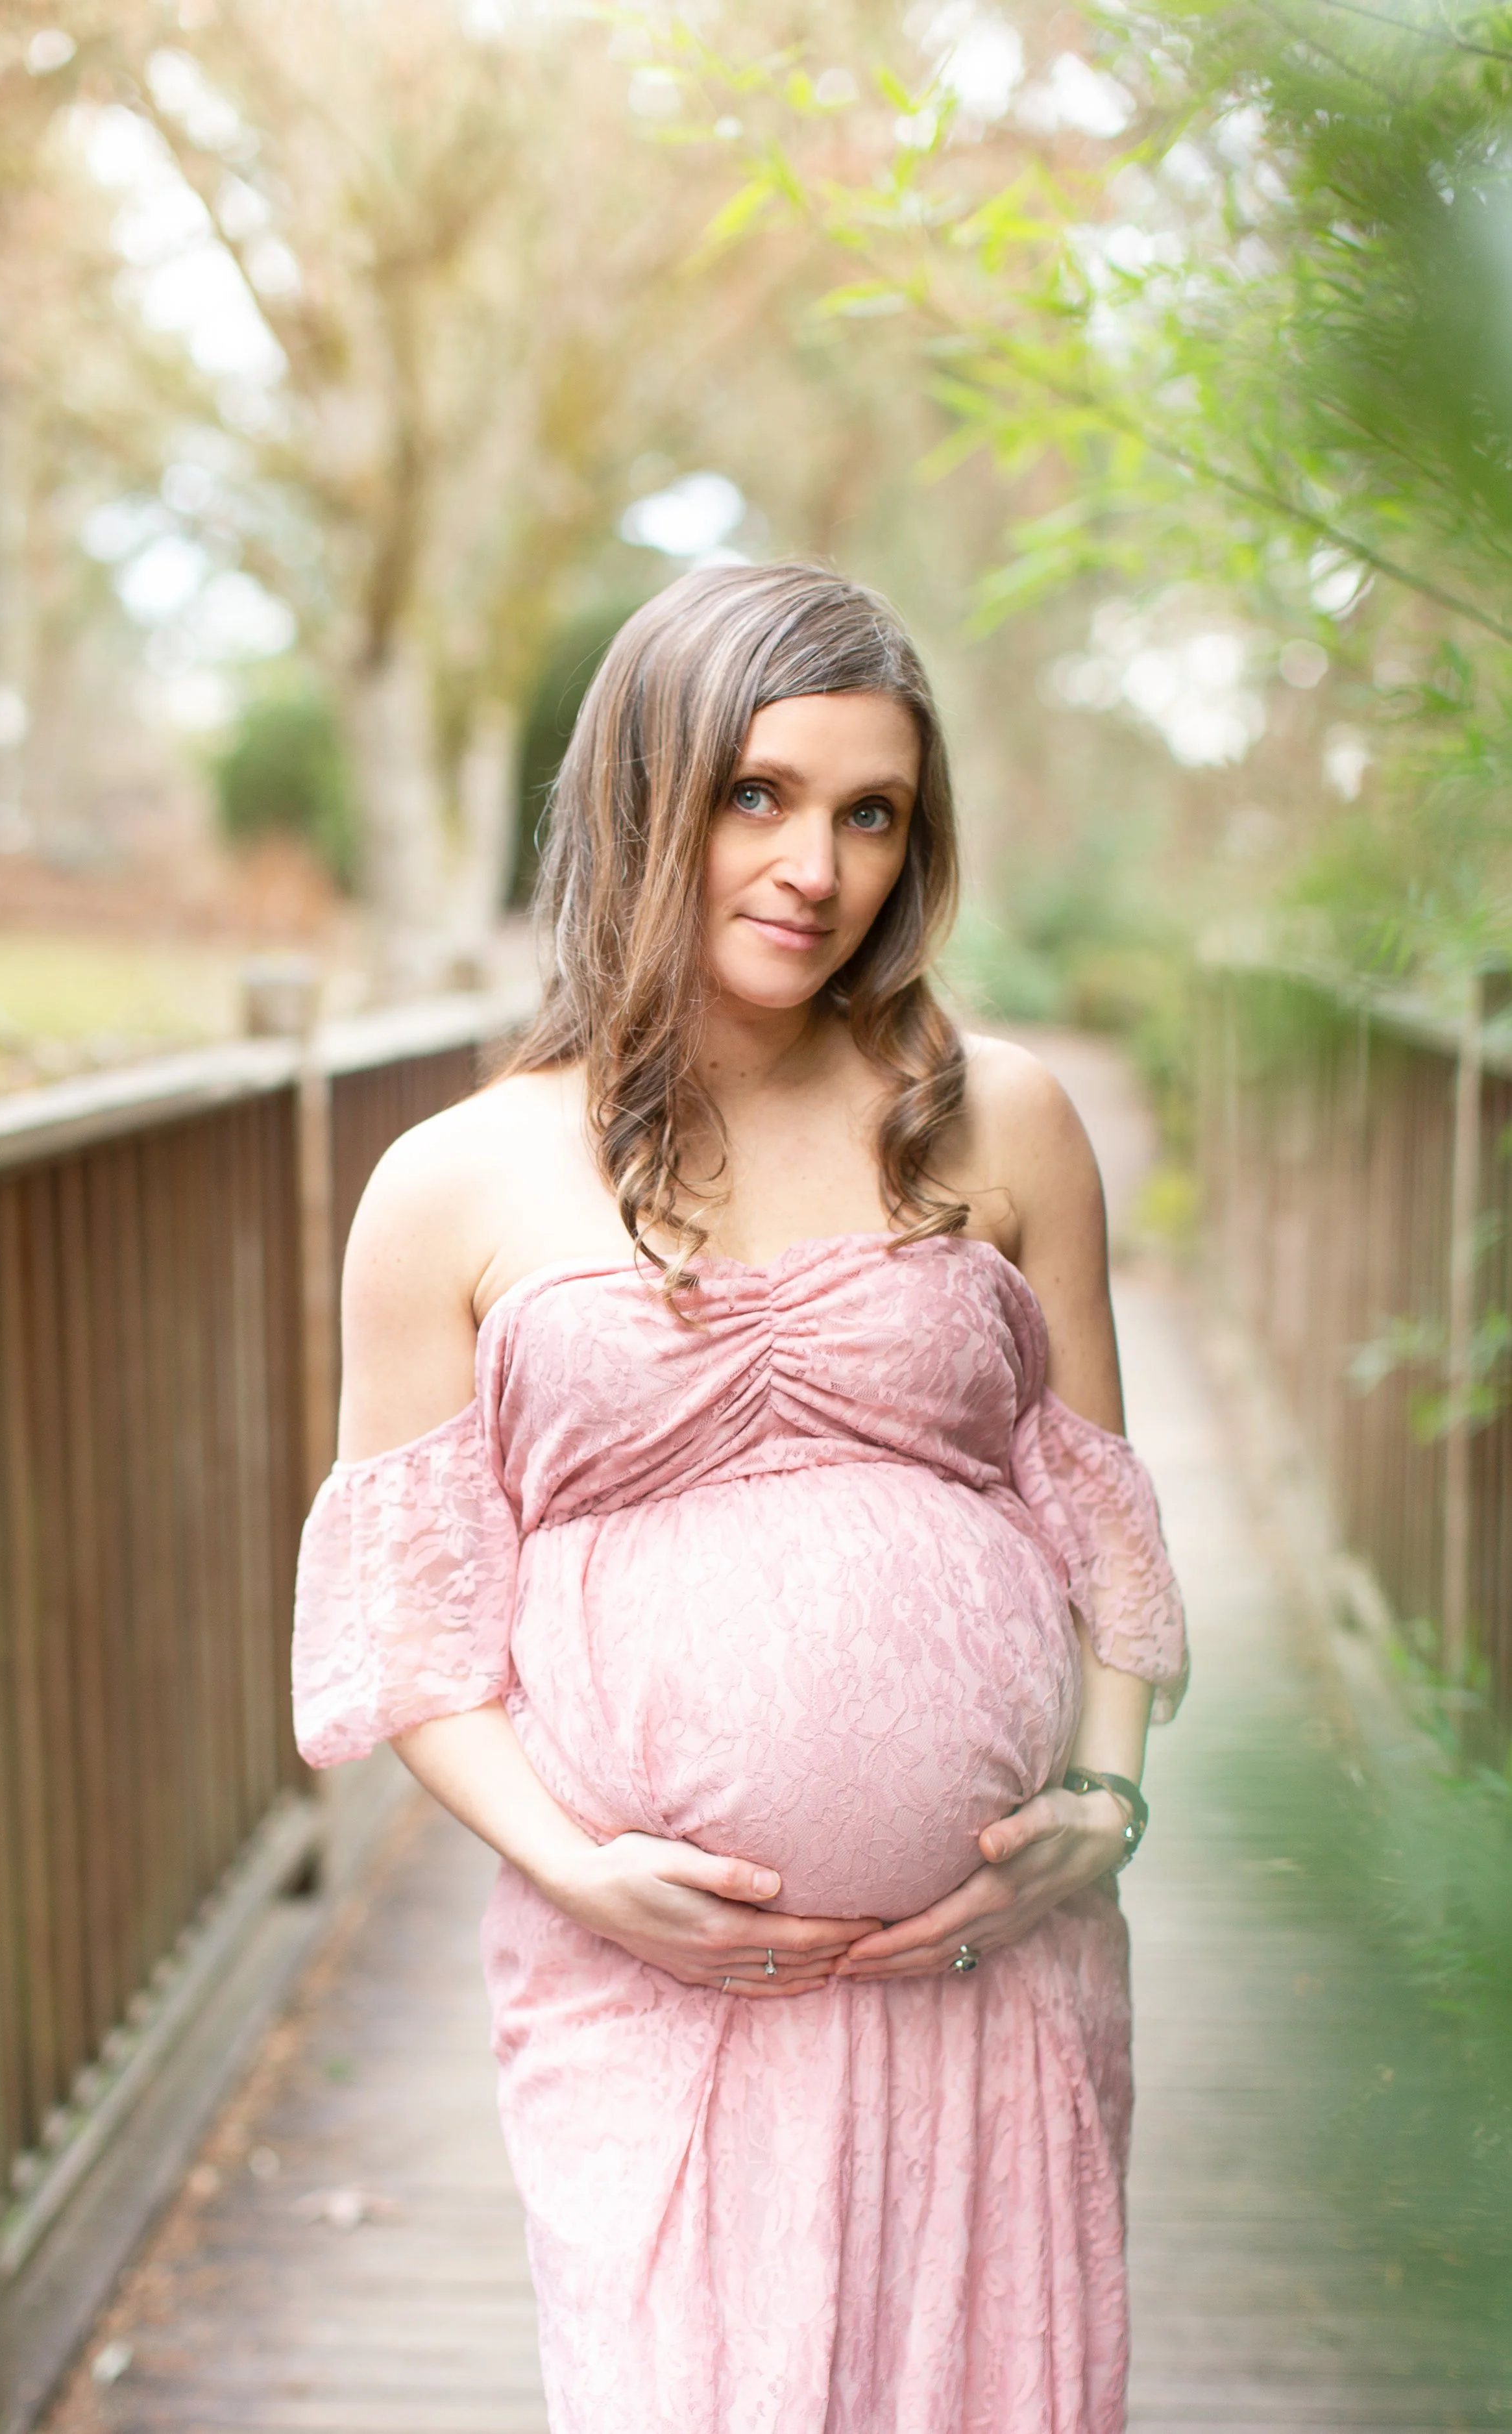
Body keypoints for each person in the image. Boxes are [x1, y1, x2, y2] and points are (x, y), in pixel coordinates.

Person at [291, 562, 1187, 2434]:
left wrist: (1104, 1783)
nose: (816, 866)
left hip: (987, 1971)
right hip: (655, 1992)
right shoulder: (452, 1182)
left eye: (872, 814)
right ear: (643, 799)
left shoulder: (995, 1114)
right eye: (756, 795)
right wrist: (573, 1862)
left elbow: (1099, 1503)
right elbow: (416, 1622)